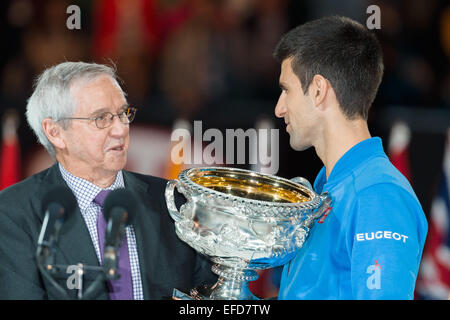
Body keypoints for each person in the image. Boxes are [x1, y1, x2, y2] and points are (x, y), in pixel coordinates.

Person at [0, 61, 216, 300]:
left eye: (123, 113)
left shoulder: (174, 202)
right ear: (55, 132)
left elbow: (212, 294)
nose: (121, 129)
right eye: (101, 118)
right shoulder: (13, 212)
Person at [273, 16, 428, 299]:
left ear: (318, 90)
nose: (279, 108)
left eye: (286, 90)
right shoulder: (328, 187)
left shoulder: (378, 194)